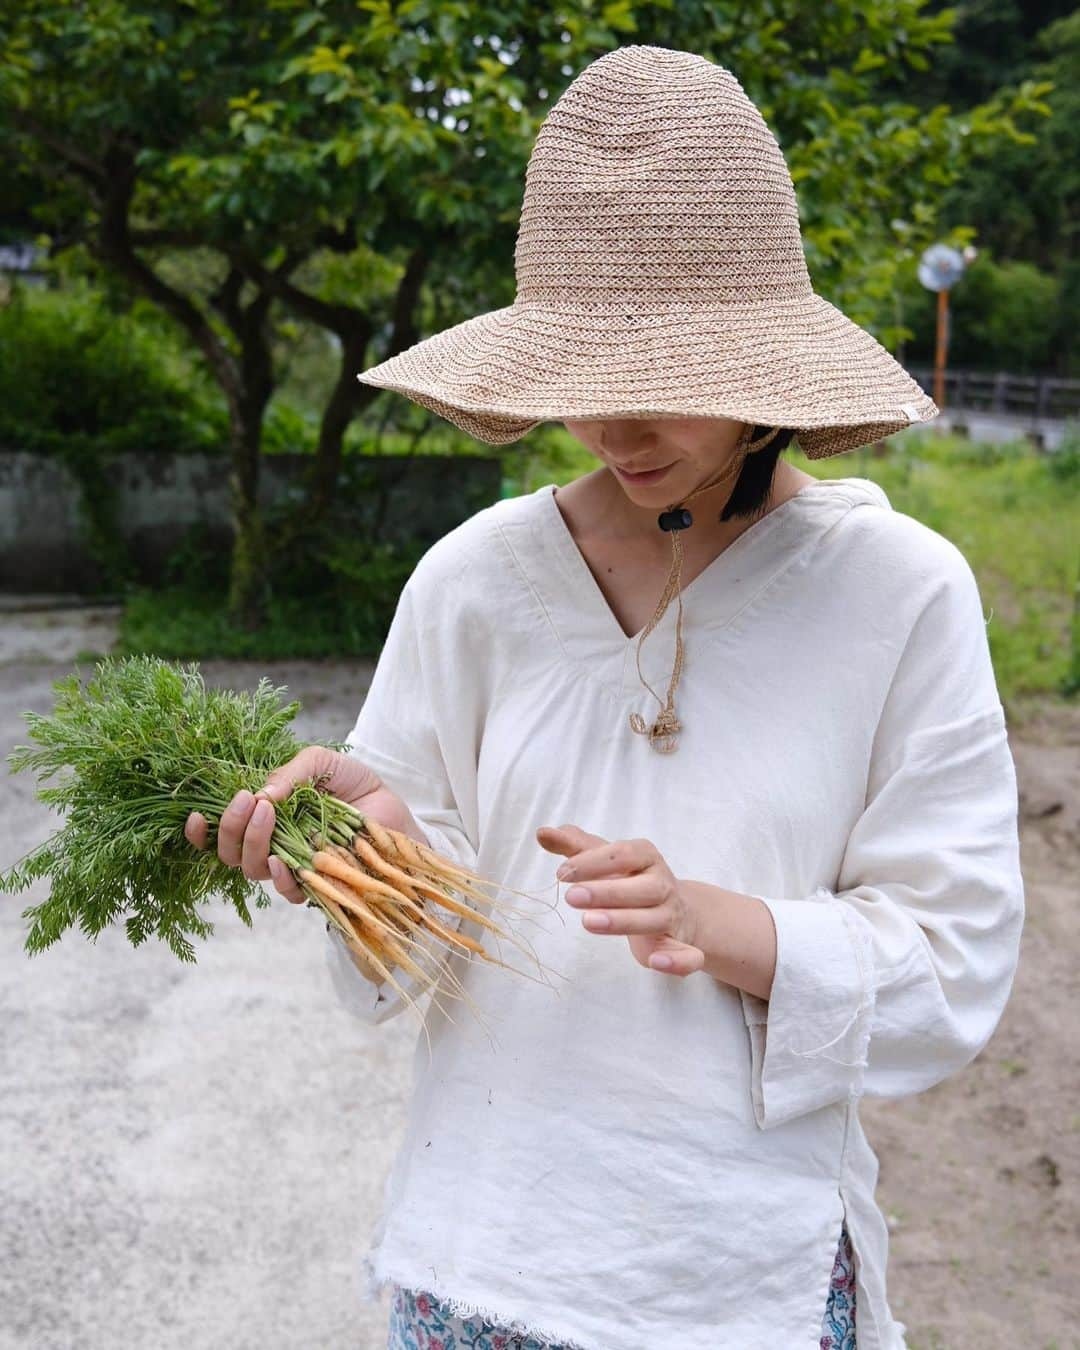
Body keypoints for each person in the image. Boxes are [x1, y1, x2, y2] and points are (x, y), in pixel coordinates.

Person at [186, 45, 1025, 1350]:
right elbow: (430, 933)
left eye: (663, 381)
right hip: (478, 1266)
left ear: (768, 375)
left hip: (740, 1284)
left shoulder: (897, 594)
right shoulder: (476, 581)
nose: (618, 430)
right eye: (584, 382)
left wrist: (720, 920)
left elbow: (956, 958)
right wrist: (380, 852)